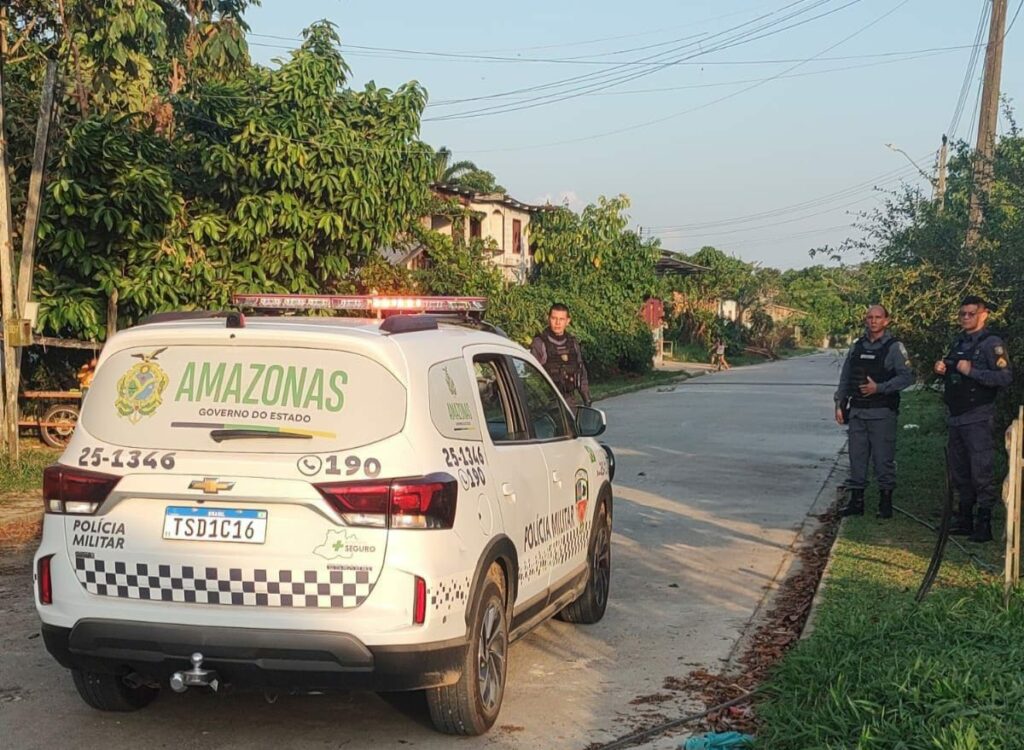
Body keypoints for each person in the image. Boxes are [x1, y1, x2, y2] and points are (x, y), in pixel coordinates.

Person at [933, 296, 1013, 543]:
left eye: (971, 314)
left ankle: (984, 522)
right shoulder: (958, 342)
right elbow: (953, 368)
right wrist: (943, 368)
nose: (966, 318)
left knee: (981, 471)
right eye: (962, 314)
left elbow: (1004, 378)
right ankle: (964, 518)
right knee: (960, 472)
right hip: (956, 417)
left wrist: (972, 372)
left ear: (984, 314)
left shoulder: (992, 344)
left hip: (978, 416)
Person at [834, 305, 914, 518]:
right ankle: (856, 502)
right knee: (856, 458)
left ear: (887, 321)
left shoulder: (894, 347)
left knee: (883, 459)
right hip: (858, 412)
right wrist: (839, 402)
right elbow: (846, 376)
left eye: (878, 317)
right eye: (869, 317)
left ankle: (885, 503)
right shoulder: (857, 346)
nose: (873, 321)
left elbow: (907, 377)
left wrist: (879, 388)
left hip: (882, 413)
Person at [530, 303, 591, 411]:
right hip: (549, 402)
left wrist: (586, 398)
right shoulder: (540, 342)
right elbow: (533, 377)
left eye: (561, 319)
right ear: (548, 319)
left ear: (567, 321)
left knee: (573, 427)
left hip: (569, 400)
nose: (557, 323)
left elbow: (581, 372)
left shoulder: (573, 343)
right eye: (554, 318)